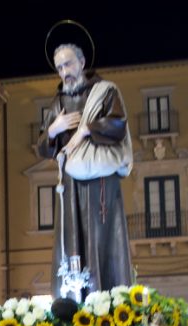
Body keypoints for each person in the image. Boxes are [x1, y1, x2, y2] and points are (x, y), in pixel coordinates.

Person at [37, 43, 133, 297]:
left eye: (68, 64)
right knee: (72, 241)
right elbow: (42, 148)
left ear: (81, 62)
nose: (64, 72)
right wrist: (54, 130)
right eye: (59, 68)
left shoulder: (105, 92)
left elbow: (118, 124)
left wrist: (88, 128)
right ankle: (72, 301)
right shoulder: (58, 103)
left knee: (102, 237)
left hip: (100, 181)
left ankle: (107, 298)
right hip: (70, 185)